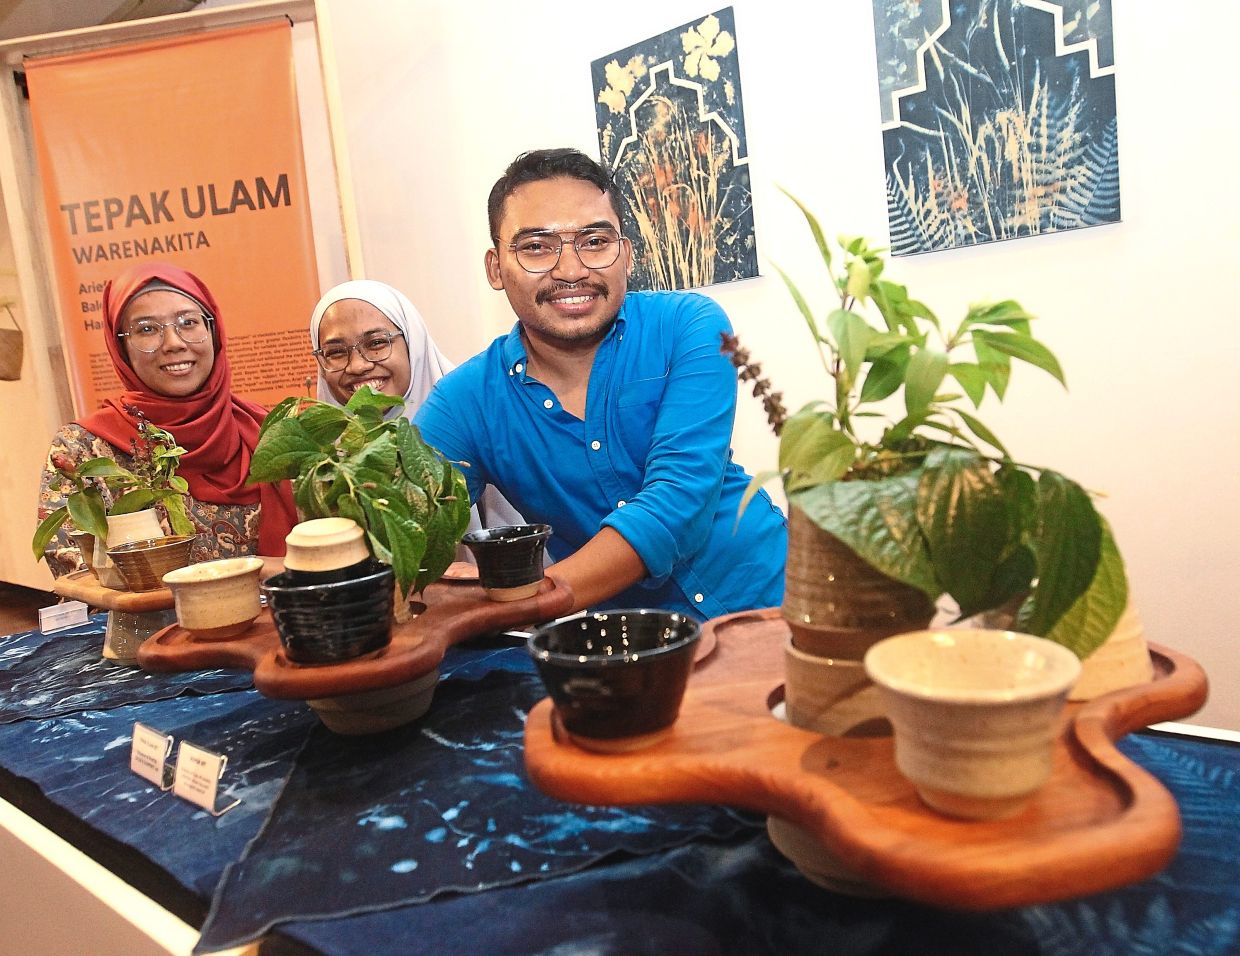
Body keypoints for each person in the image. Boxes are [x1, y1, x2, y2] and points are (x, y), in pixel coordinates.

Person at [414, 148, 787, 618]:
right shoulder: (466, 402)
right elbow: (407, 533)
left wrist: (529, 600)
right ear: (495, 268)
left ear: (626, 255)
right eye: (536, 247)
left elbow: (677, 501)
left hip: (776, 608)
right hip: (633, 650)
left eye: (594, 241)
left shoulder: (687, 326)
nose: (571, 271)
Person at [38, 262, 297, 577]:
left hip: (282, 622)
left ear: (213, 332)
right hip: (150, 627)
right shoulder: (84, 449)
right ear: (120, 348)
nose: (174, 343)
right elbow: (75, 570)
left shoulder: (269, 430)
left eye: (188, 323)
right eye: (147, 329)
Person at [308, 279, 524, 534]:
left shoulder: (472, 416)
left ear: (413, 343)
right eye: (335, 352)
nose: (357, 365)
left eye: (376, 343)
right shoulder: (320, 456)